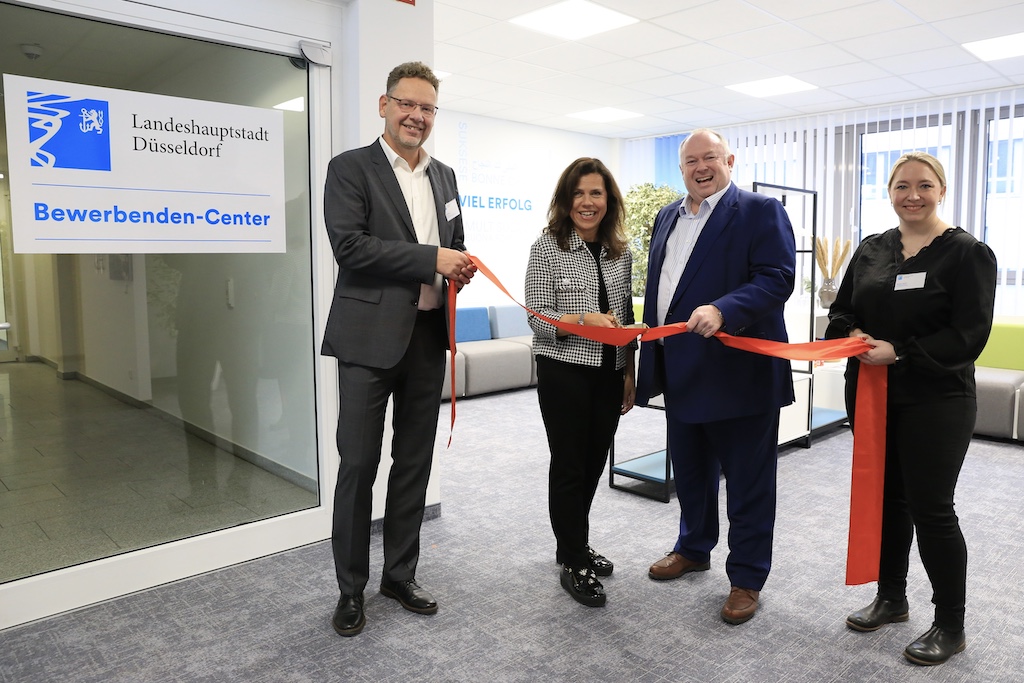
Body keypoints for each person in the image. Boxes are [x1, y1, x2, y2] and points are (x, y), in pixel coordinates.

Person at [321, 61, 475, 637]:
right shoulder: (350, 169)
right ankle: (350, 589)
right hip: (367, 342)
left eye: (427, 108)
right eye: (406, 104)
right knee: (358, 468)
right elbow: (351, 247)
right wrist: (431, 258)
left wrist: (458, 266)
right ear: (383, 106)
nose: (416, 116)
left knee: (414, 463)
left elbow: (452, 243)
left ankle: (399, 574)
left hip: (427, 341)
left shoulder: (446, 176)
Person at [825, 151, 996, 665]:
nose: (912, 195)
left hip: (936, 397)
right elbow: (841, 311)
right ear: (890, 192)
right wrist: (852, 333)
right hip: (874, 393)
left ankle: (950, 623)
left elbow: (969, 334)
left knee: (932, 509)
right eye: (902, 186)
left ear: (941, 190)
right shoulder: (873, 249)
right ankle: (892, 598)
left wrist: (899, 352)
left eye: (924, 185)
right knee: (887, 499)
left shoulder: (967, 253)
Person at [635, 128, 796, 625]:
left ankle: (747, 577)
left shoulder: (759, 211)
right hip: (680, 369)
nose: (700, 167)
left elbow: (776, 278)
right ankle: (693, 547)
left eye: (709, 158)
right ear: (680, 169)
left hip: (738, 374)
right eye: (690, 161)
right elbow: (662, 286)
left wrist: (724, 309)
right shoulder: (667, 215)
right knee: (692, 473)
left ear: (729, 160)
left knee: (748, 483)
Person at [525, 157, 636, 608]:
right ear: (565, 199)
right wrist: (582, 320)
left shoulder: (620, 251)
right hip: (564, 371)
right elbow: (535, 316)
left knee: (593, 463)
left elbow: (625, 317)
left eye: (596, 193)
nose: (587, 203)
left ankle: (571, 541)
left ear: (608, 200)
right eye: (579, 194)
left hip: (610, 373)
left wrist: (629, 372)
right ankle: (573, 559)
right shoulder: (547, 246)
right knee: (570, 465)